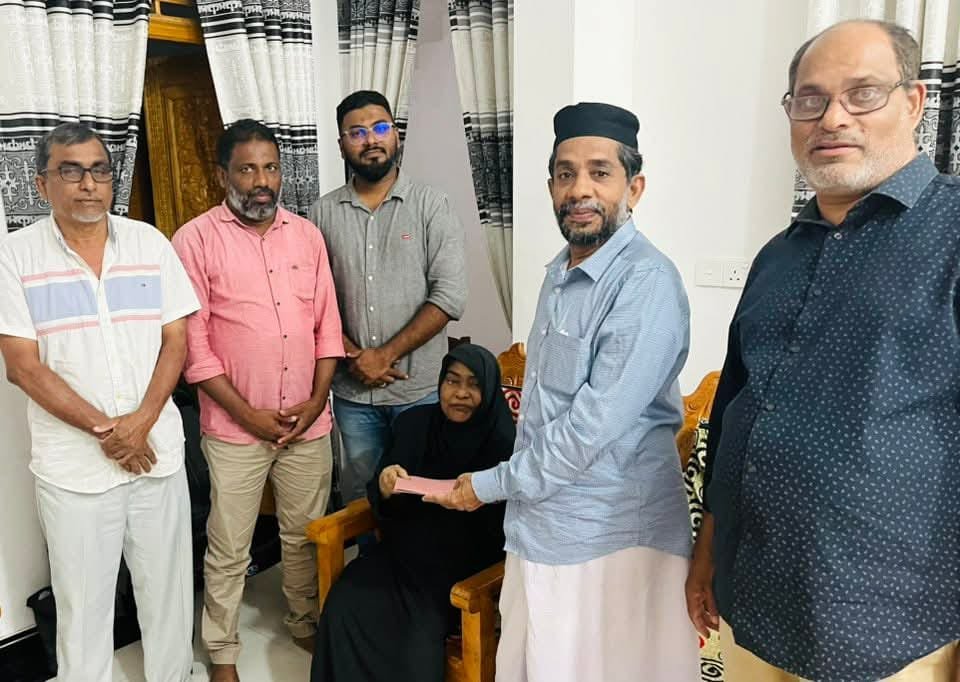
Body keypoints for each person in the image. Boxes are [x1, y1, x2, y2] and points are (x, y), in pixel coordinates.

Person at [686, 20, 960, 682]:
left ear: (914, 102)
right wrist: (708, 548)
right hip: (753, 604)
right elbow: (732, 412)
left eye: (862, 93)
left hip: (889, 630)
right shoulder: (777, 257)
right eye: (810, 99)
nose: (832, 118)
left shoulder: (950, 234)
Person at [428, 102, 699, 682]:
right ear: (550, 186)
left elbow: (587, 432)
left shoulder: (646, 282)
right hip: (540, 528)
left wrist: (486, 486)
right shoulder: (558, 274)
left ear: (634, 187)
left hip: (610, 541)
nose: (580, 189)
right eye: (565, 173)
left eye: (600, 172)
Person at [0, 123, 200, 681]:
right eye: (71, 170)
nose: (88, 184)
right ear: (42, 184)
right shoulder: (15, 257)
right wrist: (110, 432)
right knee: (83, 608)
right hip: (75, 471)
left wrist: (140, 423)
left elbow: (176, 341)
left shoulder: (149, 244)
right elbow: (22, 366)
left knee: (169, 594)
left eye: (99, 170)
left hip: (156, 454)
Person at [171, 120, 344, 682]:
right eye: (247, 168)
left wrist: (316, 402)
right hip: (234, 428)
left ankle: (304, 618)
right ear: (223, 174)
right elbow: (195, 349)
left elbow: (327, 327)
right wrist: (248, 415)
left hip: (307, 424)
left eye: (270, 167)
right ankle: (222, 649)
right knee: (229, 545)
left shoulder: (307, 236)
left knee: (305, 534)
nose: (261, 180)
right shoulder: (194, 240)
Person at [310, 343, 514, 682]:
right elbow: (385, 495)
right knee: (344, 603)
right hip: (401, 555)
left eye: (474, 384)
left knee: (411, 642)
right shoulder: (415, 424)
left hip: (461, 569)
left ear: (489, 391)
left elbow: (504, 528)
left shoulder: (503, 444)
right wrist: (385, 484)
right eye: (452, 381)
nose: (460, 393)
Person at [309, 90, 467, 502]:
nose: (370, 139)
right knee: (362, 501)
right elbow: (313, 301)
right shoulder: (321, 214)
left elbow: (450, 295)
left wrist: (385, 355)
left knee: (422, 497)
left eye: (380, 127)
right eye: (357, 132)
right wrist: (354, 356)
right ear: (341, 143)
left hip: (419, 392)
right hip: (353, 396)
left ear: (396, 134)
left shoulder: (431, 205)